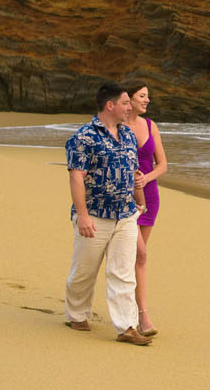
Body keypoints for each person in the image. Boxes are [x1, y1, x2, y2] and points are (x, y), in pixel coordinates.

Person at [64, 82, 153, 346]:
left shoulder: (127, 136)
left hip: (125, 214)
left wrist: (140, 201)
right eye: (126, 103)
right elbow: (76, 178)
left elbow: (133, 172)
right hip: (95, 214)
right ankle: (77, 314)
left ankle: (127, 326)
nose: (130, 107)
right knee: (85, 270)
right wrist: (82, 216)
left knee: (123, 272)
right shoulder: (84, 137)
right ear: (110, 105)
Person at [126, 84, 169, 337]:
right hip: (124, 197)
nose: (147, 100)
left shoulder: (151, 125)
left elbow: (163, 164)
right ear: (128, 99)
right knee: (136, 254)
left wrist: (146, 178)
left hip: (150, 196)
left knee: (138, 256)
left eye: (147, 96)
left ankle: (138, 313)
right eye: (142, 96)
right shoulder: (118, 126)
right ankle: (141, 314)